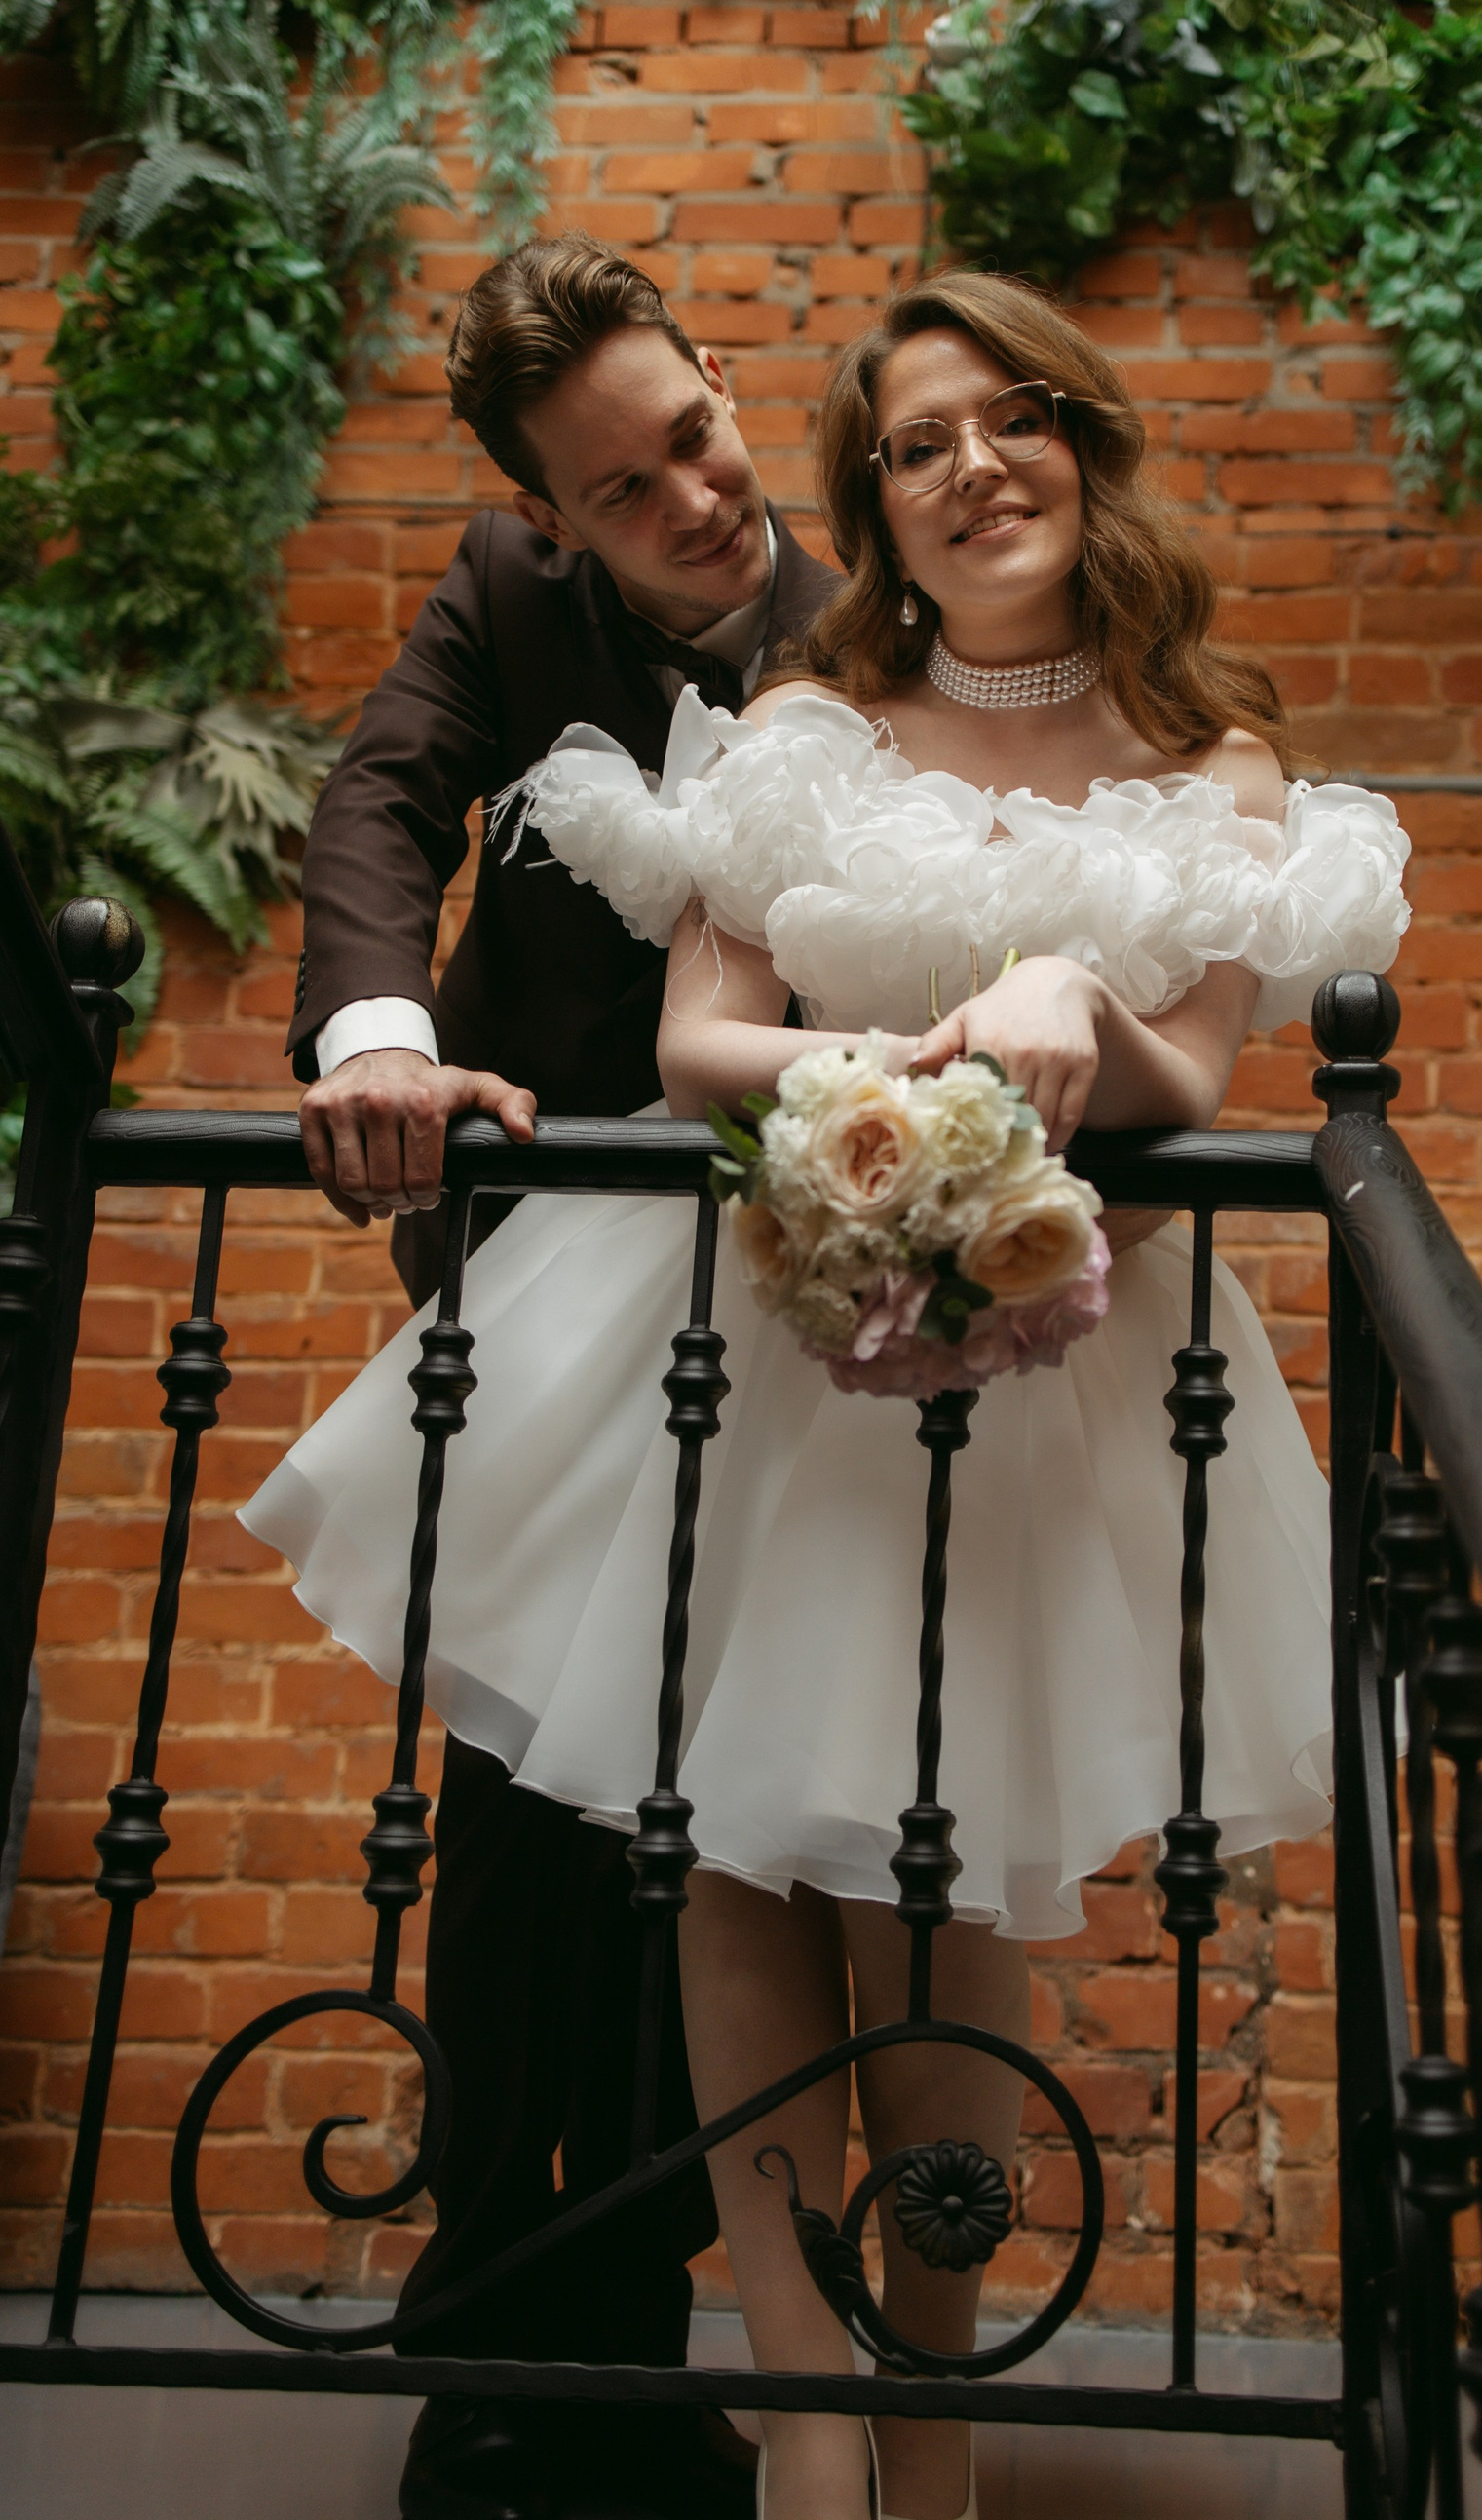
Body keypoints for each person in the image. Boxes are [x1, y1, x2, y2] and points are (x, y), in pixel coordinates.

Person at [247, 272, 1411, 2520]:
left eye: (1012, 418)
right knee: (690, 1863)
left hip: (1043, 1373)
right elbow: (584, 952)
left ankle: (927, 2443)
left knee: (939, 1877)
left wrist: (1065, 996)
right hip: (733, 1339)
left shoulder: (1212, 753)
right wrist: (905, 1076)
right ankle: (710, 2410)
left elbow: (1189, 1074)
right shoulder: (795, 703)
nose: (970, 467)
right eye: (917, 442)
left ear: (1083, 434)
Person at [284, 232, 837, 2520]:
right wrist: (378, 1036)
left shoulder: (871, 633)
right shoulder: (504, 606)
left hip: (793, 1339)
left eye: (694, 436)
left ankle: (631, 2335)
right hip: (541, 1307)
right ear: (549, 514)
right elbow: (382, 799)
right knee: (520, 1819)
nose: (693, 499)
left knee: (704, 1853)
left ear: (723, 382)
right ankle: (500, 2348)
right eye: (623, 489)